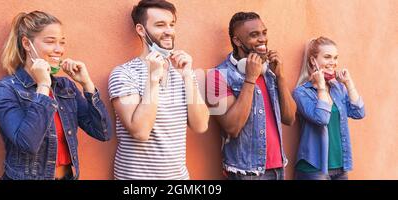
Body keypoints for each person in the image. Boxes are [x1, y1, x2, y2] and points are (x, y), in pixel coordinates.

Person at [0, 10, 112, 180]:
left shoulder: (65, 87)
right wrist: (43, 86)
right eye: (50, 42)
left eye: (62, 43)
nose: (59, 49)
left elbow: (103, 132)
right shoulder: (5, 89)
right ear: (27, 44)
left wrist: (87, 84)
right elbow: (28, 143)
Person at [108, 0, 209, 180]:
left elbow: (201, 125)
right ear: (141, 30)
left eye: (172, 24)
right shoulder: (123, 74)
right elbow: (140, 131)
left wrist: (187, 76)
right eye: (160, 25)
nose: (169, 31)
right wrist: (153, 79)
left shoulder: (183, 71)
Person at [207, 12, 296, 180]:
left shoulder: (269, 71)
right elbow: (232, 128)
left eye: (264, 33)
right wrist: (250, 79)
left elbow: (290, 118)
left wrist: (281, 77)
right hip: (245, 173)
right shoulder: (215, 77)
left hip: (278, 169)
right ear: (237, 41)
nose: (262, 39)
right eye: (254, 35)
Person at [293, 36, 365, 180]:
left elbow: (359, 112)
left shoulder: (338, 88)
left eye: (335, 57)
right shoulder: (301, 92)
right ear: (313, 60)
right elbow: (322, 118)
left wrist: (348, 83)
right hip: (313, 167)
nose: (333, 62)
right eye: (327, 57)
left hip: (340, 166)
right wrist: (320, 87)